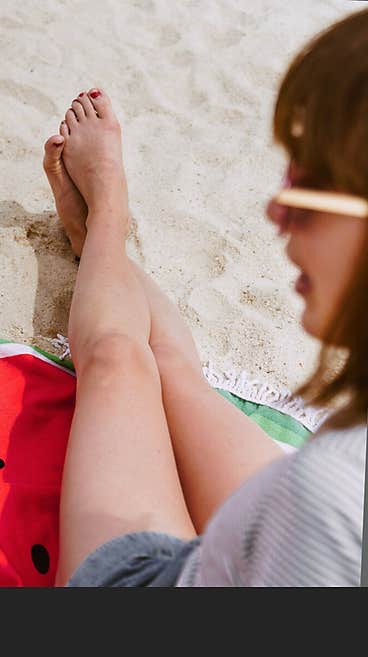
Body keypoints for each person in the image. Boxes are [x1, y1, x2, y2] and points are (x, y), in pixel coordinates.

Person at [46, 9, 366, 587]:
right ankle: (101, 239)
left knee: (118, 358)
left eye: (311, 187)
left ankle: (105, 228)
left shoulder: (331, 497)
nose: (276, 212)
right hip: (282, 535)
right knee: (174, 372)